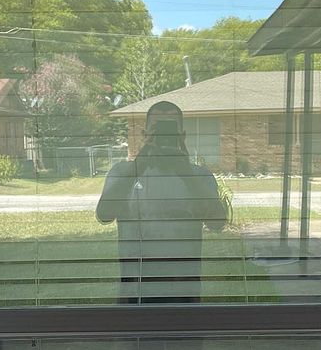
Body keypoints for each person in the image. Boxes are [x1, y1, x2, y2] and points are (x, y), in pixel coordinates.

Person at [96, 101, 228, 304]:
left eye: (170, 130)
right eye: (157, 130)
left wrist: (186, 173)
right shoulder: (123, 173)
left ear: (182, 136)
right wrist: (138, 167)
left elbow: (217, 223)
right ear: (144, 135)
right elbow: (104, 215)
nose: (164, 136)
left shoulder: (199, 176)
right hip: (134, 290)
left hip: (185, 290)